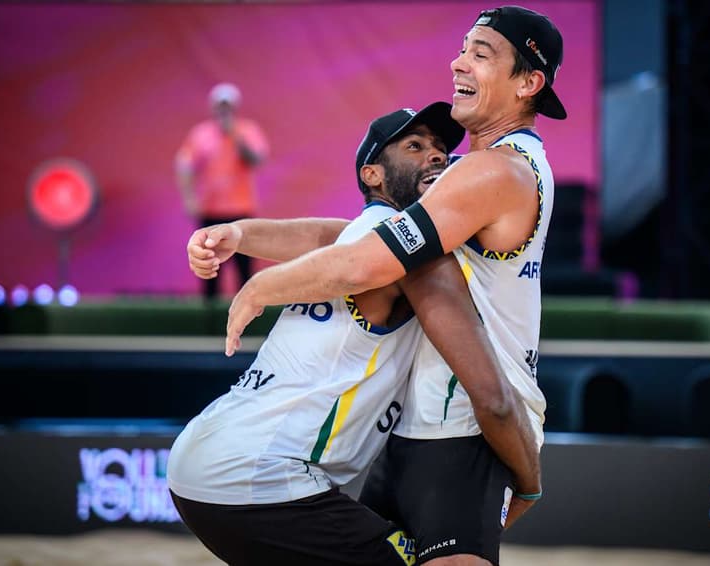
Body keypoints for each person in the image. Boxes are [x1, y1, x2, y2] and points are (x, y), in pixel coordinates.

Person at [223, 6, 565, 564]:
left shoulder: (493, 172)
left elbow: (364, 262)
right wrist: (244, 233)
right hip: (420, 424)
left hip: (466, 428)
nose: (458, 63)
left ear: (528, 83)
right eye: (462, 49)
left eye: (481, 54)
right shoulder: (481, 172)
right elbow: (353, 237)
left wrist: (261, 288)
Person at [170, 102, 538, 566]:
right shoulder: (397, 255)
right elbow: (349, 265)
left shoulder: (363, 238)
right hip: (260, 477)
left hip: (208, 461)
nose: (438, 156)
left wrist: (241, 233)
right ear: (373, 175)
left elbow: (327, 235)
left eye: (442, 148)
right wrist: (258, 283)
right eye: (415, 146)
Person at [175, 82, 270, 301]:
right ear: (213, 107)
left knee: (244, 269)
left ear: (235, 107)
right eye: (220, 106)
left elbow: (255, 159)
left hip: (240, 210)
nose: (224, 110)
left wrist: (235, 136)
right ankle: (210, 324)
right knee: (208, 267)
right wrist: (189, 198)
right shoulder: (201, 134)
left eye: (227, 106)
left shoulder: (247, 130)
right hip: (211, 211)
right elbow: (185, 166)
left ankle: (247, 317)